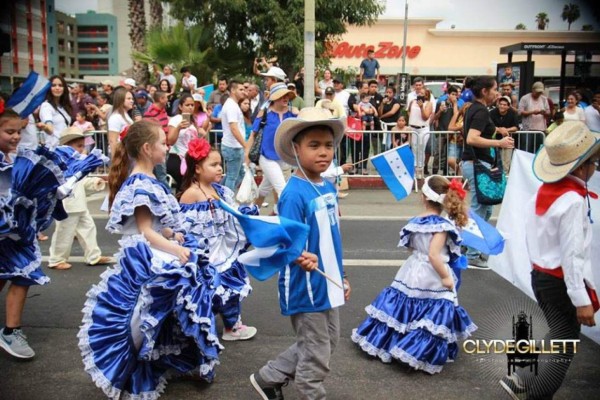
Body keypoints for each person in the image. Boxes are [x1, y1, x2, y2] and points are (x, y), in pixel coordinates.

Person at [79, 119, 221, 398]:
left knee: (159, 311)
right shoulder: (139, 183)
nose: (167, 147)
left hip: (155, 249)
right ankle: (129, 368)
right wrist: (174, 247)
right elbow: (144, 231)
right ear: (147, 148)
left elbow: (155, 224)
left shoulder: (151, 179)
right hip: (146, 255)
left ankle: (175, 358)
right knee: (140, 319)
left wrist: (172, 234)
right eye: (162, 143)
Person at [250, 107, 351, 400]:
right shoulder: (293, 194)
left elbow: (332, 239)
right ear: (296, 149)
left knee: (327, 340)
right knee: (316, 352)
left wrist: (341, 275)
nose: (323, 152)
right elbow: (284, 242)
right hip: (305, 286)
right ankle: (311, 394)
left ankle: (269, 376)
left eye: (328, 145)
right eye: (314, 145)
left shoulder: (328, 187)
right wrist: (299, 256)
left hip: (327, 279)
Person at [501, 121, 599, 399]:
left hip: (542, 276)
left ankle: (521, 377)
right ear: (581, 167)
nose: (595, 168)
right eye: (594, 163)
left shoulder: (541, 193)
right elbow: (571, 255)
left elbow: (533, 238)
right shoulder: (573, 201)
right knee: (565, 345)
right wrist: (581, 300)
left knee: (559, 331)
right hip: (560, 281)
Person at [352, 175, 476, 373]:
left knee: (405, 305)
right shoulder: (443, 226)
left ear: (423, 198)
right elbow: (435, 255)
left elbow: (411, 248)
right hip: (433, 273)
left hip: (412, 269)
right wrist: (446, 277)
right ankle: (414, 349)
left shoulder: (415, 221)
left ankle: (391, 341)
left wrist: (421, 253)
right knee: (434, 310)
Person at [0, 108, 89, 359]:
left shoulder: (15, 161)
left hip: (15, 234)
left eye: (19, 131)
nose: (16, 137)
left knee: (22, 276)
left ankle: (11, 330)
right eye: (9, 131)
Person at [178, 138, 258, 341]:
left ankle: (232, 326)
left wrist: (246, 215)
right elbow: (185, 229)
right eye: (213, 165)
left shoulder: (220, 190)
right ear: (197, 168)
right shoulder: (192, 194)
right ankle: (205, 327)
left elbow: (230, 216)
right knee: (208, 290)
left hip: (223, 248)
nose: (219, 169)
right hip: (206, 254)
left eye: (220, 164)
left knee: (230, 288)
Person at [461, 76, 514, 268]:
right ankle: (472, 253)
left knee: (486, 207)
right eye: (495, 89)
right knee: (479, 208)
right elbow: (472, 138)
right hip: (477, 164)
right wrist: (499, 142)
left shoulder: (474, 109)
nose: (497, 93)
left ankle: (468, 247)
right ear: (484, 91)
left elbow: (476, 133)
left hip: (476, 164)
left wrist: (496, 131)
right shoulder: (481, 111)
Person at [48, 127, 113, 270]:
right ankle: (56, 259)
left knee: (88, 229)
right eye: (79, 146)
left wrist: (96, 181)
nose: (82, 150)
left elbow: (82, 182)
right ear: (67, 146)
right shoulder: (61, 165)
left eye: (83, 146)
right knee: (64, 233)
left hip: (79, 204)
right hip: (67, 206)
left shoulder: (77, 165)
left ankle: (93, 256)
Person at [245, 82, 297, 213]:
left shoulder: (292, 114)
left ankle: (251, 213)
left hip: (284, 157)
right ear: (274, 98)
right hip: (267, 157)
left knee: (263, 189)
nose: (285, 98)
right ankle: (287, 221)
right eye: (281, 96)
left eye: (287, 96)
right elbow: (253, 135)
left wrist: (299, 115)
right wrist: (246, 157)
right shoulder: (264, 114)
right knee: (282, 190)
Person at [167, 93, 204, 191]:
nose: (190, 107)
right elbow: (170, 140)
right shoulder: (175, 120)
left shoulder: (193, 121)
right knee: (184, 186)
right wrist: (178, 128)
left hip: (190, 158)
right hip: (177, 158)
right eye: (187, 105)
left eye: (192, 105)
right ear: (180, 106)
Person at [221, 80, 247, 191]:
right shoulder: (231, 106)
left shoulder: (233, 105)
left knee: (239, 174)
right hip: (233, 147)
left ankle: (220, 193)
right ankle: (227, 199)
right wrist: (246, 145)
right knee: (232, 176)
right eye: (240, 89)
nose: (243, 92)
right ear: (232, 90)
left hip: (235, 146)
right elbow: (234, 128)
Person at [38, 75, 72, 150]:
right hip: (53, 148)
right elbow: (50, 128)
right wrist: (45, 127)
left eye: (60, 85)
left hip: (66, 147)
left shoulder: (63, 107)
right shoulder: (46, 106)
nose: (57, 88)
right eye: (53, 85)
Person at [407, 87, 433, 178]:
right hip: (413, 128)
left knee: (421, 148)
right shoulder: (412, 102)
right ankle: (414, 169)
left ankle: (420, 168)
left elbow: (425, 117)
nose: (420, 95)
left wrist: (421, 107)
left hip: (423, 129)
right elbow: (409, 112)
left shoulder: (428, 104)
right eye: (419, 93)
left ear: (426, 95)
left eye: (423, 94)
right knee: (414, 148)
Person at [519, 81, 550, 153]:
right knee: (527, 150)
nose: (538, 94)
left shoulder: (544, 99)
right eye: (537, 92)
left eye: (540, 92)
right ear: (533, 90)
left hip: (541, 130)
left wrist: (543, 112)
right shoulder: (525, 98)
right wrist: (532, 112)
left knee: (539, 151)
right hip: (528, 129)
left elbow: (549, 112)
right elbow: (520, 112)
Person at [490, 95, 519, 172]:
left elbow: (516, 127)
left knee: (506, 163)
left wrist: (506, 130)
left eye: (504, 105)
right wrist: (500, 130)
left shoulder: (513, 113)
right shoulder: (492, 113)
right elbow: (490, 126)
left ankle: (505, 179)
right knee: (494, 162)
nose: (502, 106)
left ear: (508, 106)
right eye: (501, 104)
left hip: (508, 140)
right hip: (494, 141)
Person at [107, 87, 134, 157]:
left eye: (132, 98)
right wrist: (115, 161)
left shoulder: (126, 115)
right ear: (121, 100)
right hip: (119, 155)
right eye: (128, 99)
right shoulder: (115, 117)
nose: (132, 101)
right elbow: (113, 141)